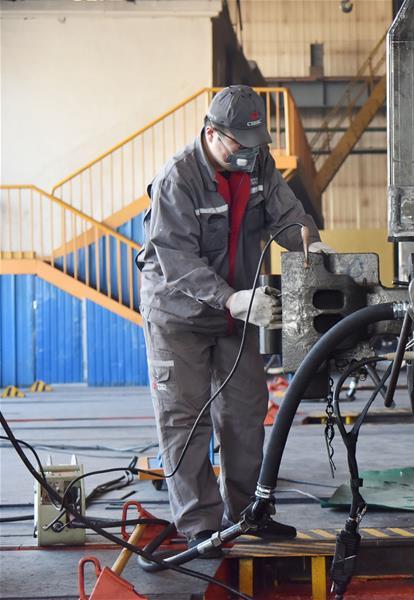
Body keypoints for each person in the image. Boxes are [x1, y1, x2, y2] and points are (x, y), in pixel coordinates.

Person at [136, 85, 331, 556]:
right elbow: (176, 259)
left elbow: (288, 217)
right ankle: (200, 526)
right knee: (187, 419)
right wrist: (231, 299)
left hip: (240, 309)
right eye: (240, 146)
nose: (249, 155)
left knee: (245, 413)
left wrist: (312, 245)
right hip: (179, 314)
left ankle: (248, 514)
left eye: (256, 145)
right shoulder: (176, 180)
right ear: (211, 134)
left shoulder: (258, 164)